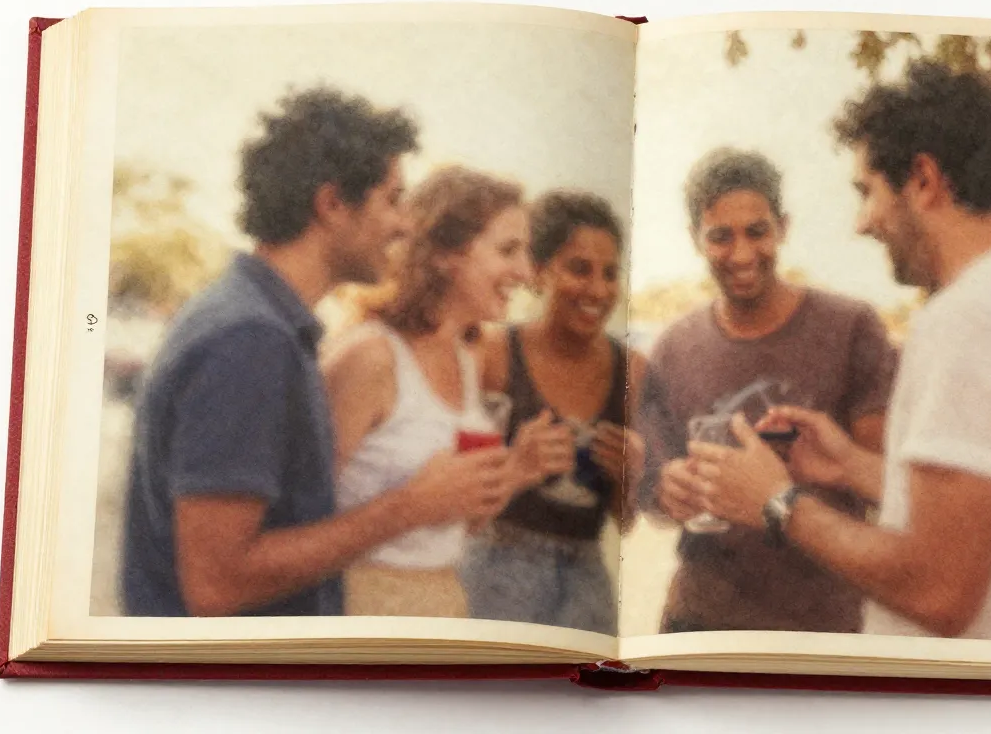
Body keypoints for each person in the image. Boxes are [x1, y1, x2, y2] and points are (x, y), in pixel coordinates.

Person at [689, 61, 991, 643]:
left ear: (923, 180)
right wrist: (853, 466)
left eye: (867, 192)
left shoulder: (969, 320)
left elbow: (937, 588)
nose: (862, 223)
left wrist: (777, 502)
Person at [119, 88, 516, 618]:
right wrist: (409, 507)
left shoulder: (264, 322)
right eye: (392, 200)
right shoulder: (250, 339)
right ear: (331, 204)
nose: (405, 224)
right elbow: (217, 584)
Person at [633, 147, 900, 634]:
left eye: (756, 232)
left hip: (822, 627)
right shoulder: (673, 348)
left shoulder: (850, 328)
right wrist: (666, 490)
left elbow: (890, 486)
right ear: (695, 239)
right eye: (720, 237)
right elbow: (653, 490)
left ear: (783, 227)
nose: (741, 254)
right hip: (699, 624)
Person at [321, 165, 576, 618]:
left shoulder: (465, 357)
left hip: (442, 599)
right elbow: (295, 533)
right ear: (442, 254)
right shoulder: (370, 357)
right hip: (362, 605)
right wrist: (412, 506)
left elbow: (454, 523)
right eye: (508, 250)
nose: (525, 271)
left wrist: (518, 469)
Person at [458, 189, 646, 634]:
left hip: (586, 579)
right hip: (495, 570)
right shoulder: (494, 354)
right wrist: (517, 465)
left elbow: (625, 520)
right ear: (539, 271)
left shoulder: (633, 371)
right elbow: (458, 507)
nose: (598, 290)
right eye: (579, 269)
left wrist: (629, 477)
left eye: (610, 274)